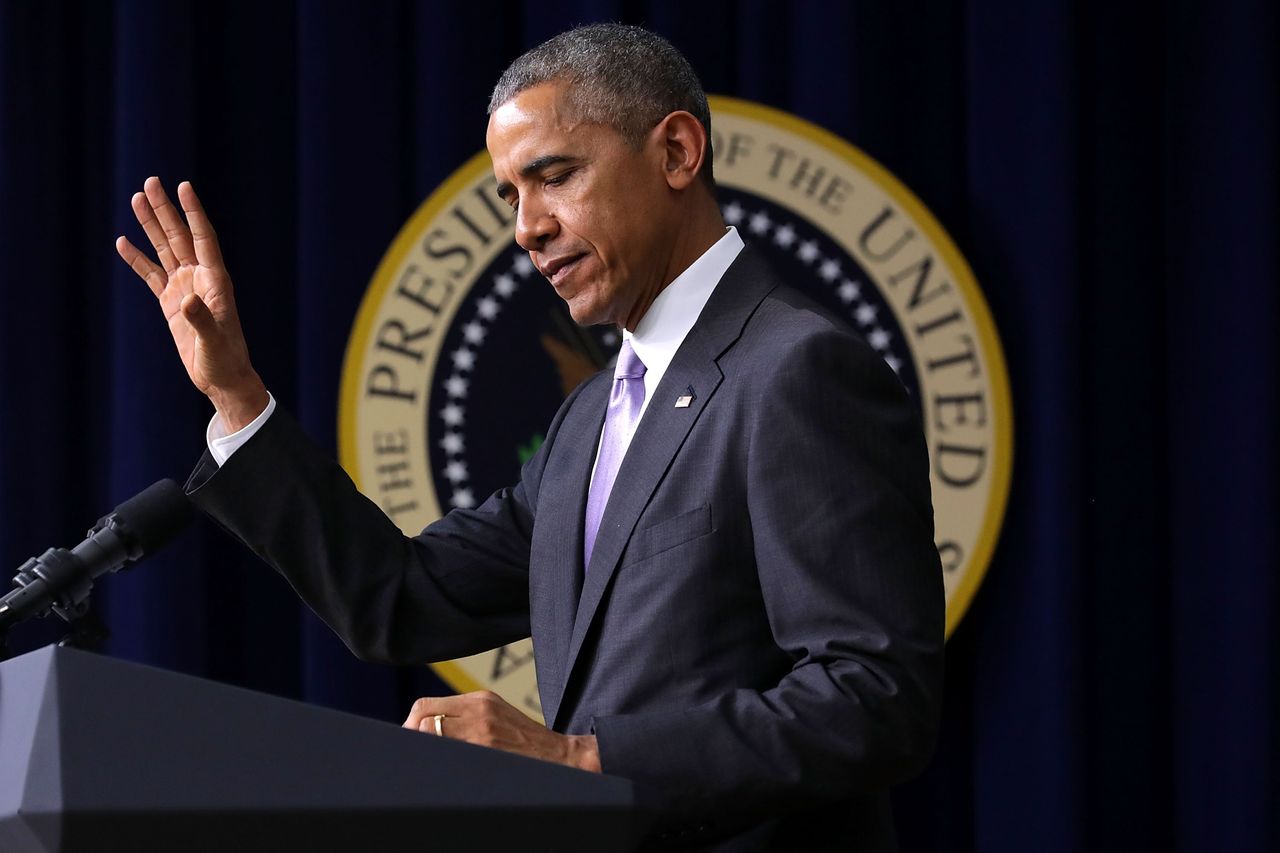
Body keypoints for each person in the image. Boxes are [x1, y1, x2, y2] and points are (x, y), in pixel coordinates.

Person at [116, 23, 943, 852]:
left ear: (678, 152)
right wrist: (235, 391)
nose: (527, 228)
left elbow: (874, 696)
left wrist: (580, 760)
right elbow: (401, 598)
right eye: (511, 195)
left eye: (555, 176)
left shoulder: (797, 370)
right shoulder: (590, 421)